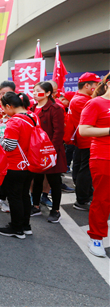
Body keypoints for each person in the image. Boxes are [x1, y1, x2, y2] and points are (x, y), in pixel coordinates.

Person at [0, 92, 36, 239]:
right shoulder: (32, 116)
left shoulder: (15, 121)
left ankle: (16, 228)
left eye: (4, 108)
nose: (4, 112)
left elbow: (9, 145)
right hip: (30, 162)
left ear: (9, 106)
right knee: (24, 195)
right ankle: (26, 226)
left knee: (15, 197)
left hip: (15, 164)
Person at [78, 73, 110, 257]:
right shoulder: (95, 103)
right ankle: (96, 238)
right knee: (102, 198)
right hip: (103, 156)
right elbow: (83, 130)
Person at [30, 82, 66, 223]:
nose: (34, 93)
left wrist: (52, 150)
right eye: (33, 90)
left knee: (54, 181)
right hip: (37, 150)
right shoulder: (33, 108)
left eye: (38, 91)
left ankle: (55, 210)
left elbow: (58, 132)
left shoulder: (55, 108)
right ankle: (36, 206)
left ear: (48, 93)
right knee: (37, 179)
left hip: (51, 150)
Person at [68, 72, 101, 210]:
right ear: (87, 85)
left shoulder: (81, 98)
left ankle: (85, 195)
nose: (99, 87)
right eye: (96, 84)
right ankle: (82, 200)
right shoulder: (82, 100)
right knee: (85, 170)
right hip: (87, 139)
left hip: (84, 139)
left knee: (82, 168)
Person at [0, 81, 16, 213]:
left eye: (6, 93)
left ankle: (3, 200)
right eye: (1, 93)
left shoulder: (15, 105)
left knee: (8, 173)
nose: (3, 96)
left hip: (9, 142)